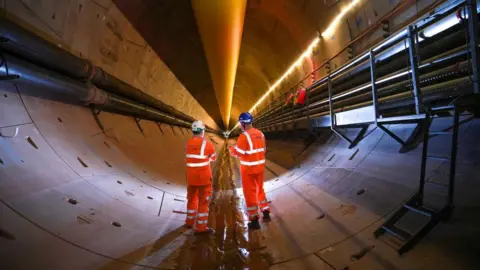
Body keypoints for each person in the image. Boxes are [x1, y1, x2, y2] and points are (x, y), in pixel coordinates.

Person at [229, 112, 270, 230]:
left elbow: (240, 153)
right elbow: (263, 150)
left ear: (243, 123)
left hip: (248, 170)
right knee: (260, 189)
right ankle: (266, 211)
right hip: (260, 168)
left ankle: (254, 220)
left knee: (250, 194)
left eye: (240, 123)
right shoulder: (261, 134)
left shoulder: (243, 136)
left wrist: (232, 150)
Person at [185, 120, 216, 234]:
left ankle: (189, 222)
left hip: (191, 178)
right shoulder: (207, 144)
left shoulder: (188, 143)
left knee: (192, 199)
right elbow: (213, 158)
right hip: (203, 179)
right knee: (203, 202)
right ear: (202, 131)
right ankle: (201, 227)